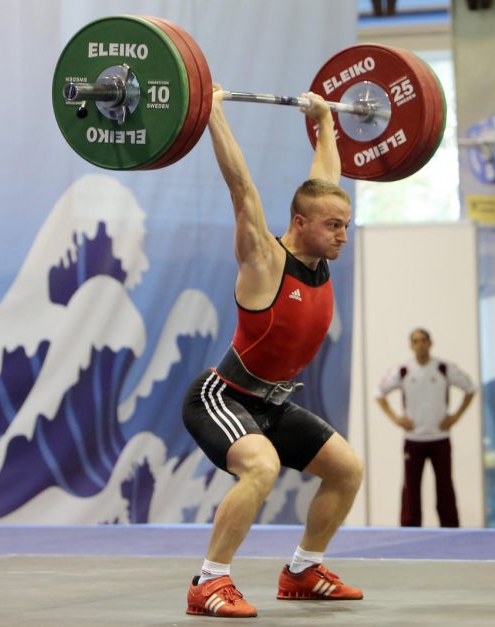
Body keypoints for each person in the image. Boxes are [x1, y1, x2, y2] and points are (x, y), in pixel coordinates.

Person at [180, 86, 364, 618]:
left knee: (346, 468)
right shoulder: (265, 259)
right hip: (222, 396)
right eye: (334, 226)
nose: (343, 236)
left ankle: (304, 570)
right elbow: (242, 187)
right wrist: (211, 111)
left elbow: (325, 180)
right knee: (262, 465)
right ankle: (209, 583)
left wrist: (326, 121)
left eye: (346, 225)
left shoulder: (320, 255)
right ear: (300, 224)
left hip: (272, 402)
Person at [376, 328, 477, 527]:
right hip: (414, 439)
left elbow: (470, 388)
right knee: (411, 488)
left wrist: (455, 416)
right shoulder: (403, 370)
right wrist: (395, 418)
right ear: (411, 345)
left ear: (430, 343)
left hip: (440, 437)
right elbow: (379, 393)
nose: (420, 344)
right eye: (416, 341)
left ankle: (450, 528)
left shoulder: (444, 368)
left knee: (445, 486)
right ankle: (409, 528)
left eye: (423, 340)